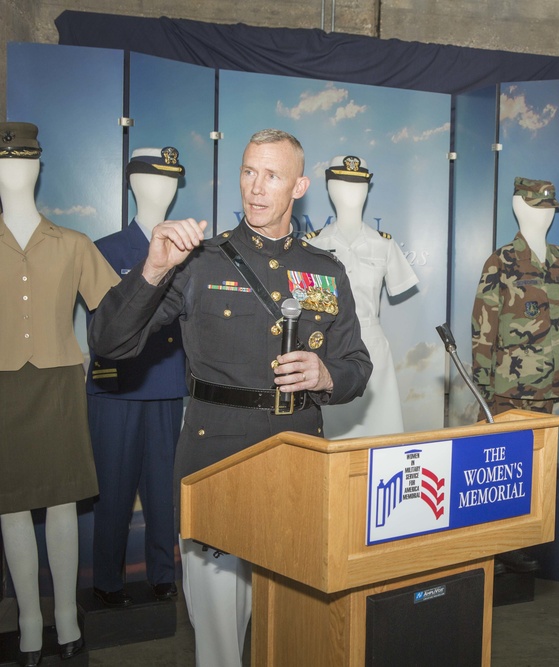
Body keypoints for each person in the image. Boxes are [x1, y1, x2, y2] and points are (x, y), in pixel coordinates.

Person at [89, 129, 373, 667]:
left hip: (296, 463)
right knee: (218, 641)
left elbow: (358, 368)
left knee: (293, 632)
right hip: (215, 465)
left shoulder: (325, 271)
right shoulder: (199, 261)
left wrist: (324, 373)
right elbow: (109, 341)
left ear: (300, 187)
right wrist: (153, 268)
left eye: (272, 175)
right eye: (248, 172)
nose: (256, 188)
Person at [0, 122, 119, 666]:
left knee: (64, 501)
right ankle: (28, 620)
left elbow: (117, 314)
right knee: (11, 505)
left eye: (22, 162)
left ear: (37, 167)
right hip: (4, 386)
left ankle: (66, 616)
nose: (14, 172)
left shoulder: (74, 244)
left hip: (60, 382)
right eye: (6, 162)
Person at [86, 147, 188, 608]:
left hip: (166, 383)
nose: (163, 190)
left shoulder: (189, 251)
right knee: (113, 488)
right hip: (118, 387)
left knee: (164, 489)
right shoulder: (106, 250)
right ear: (132, 183)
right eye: (153, 179)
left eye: (171, 181)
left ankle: (163, 574)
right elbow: (102, 325)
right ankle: (107, 581)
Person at [306, 155, 418, 438]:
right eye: (343, 184)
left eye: (358, 185)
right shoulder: (312, 245)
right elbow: (310, 310)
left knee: (380, 437)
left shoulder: (383, 245)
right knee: (330, 438)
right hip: (330, 350)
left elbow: (398, 284)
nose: (352, 193)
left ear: (368, 189)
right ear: (329, 187)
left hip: (373, 349)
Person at [471, 177, 559, 417]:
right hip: (511, 383)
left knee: (541, 449)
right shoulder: (502, 260)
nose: (546, 215)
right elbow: (484, 323)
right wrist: (483, 378)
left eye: (550, 208)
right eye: (538, 208)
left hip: (552, 379)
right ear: (519, 206)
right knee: (505, 448)